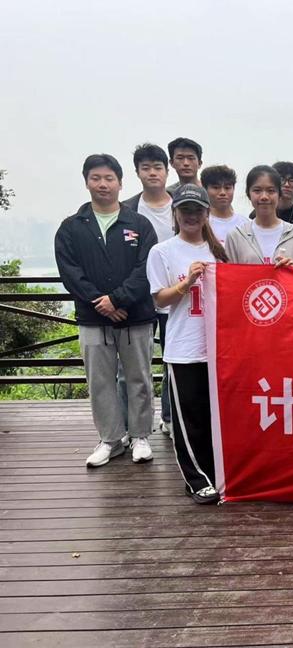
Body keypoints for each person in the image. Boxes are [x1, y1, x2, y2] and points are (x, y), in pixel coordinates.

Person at [55, 154, 157, 468]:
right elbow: (70, 272)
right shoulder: (71, 227)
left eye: (109, 178)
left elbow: (146, 268)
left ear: (120, 183)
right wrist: (101, 303)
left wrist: (118, 300)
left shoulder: (139, 224)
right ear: (86, 182)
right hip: (92, 318)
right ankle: (111, 439)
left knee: (139, 377)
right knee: (100, 381)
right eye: (96, 178)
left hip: (135, 315)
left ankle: (140, 436)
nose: (103, 184)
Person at [146, 184, 228, 504]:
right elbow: (159, 299)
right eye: (185, 210)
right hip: (184, 348)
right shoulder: (163, 251)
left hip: (218, 348)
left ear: (207, 214)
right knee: (188, 419)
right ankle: (196, 479)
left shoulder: (220, 250)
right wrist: (187, 282)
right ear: (175, 214)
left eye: (197, 210)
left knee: (214, 417)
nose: (191, 216)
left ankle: (216, 474)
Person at [122, 143, 174, 435]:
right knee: (132, 367)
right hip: (138, 298)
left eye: (157, 167)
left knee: (172, 361)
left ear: (167, 171)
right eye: (146, 168)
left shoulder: (181, 204)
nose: (152, 173)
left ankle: (169, 417)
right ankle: (131, 428)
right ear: (137, 172)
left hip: (174, 296)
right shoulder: (127, 209)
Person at [225, 166, 293, 269]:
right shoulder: (236, 237)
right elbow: (229, 276)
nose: (264, 197)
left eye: (271, 191)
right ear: (248, 194)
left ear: (279, 195)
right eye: (257, 191)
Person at [201, 165, 245, 244]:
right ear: (205, 189)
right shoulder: (200, 224)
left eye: (227, 188)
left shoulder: (245, 224)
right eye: (216, 188)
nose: (222, 193)